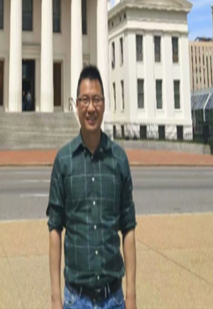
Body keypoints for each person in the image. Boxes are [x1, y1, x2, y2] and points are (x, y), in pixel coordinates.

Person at [47, 65, 137, 309]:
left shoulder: (118, 159)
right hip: (76, 299)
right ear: (76, 105)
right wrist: (55, 299)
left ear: (104, 104)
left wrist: (131, 296)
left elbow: (128, 228)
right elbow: (55, 228)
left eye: (96, 100)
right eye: (85, 100)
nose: (91, 108)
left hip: (114, 298)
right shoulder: (64, 161)